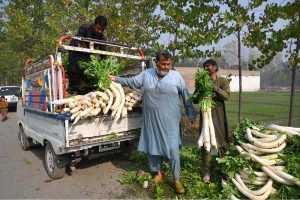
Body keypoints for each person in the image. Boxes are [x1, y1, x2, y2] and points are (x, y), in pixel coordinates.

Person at [109, 50, 196, 194]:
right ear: (156, 63)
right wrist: (115, 78)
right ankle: (159, 174)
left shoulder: (176, 77)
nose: (166, 67)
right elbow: (131, 82)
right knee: (153, 147)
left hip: (171, 122)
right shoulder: (147, 74)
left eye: (168, 64)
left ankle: (176, 179)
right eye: (163, 64)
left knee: (173, 149)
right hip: (152, 120)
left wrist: (191, 113)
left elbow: (186, 96)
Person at [193, 59, 231, 183]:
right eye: (204, 67)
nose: (206, 69)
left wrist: (214, 88)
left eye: (208, 66)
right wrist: (199, 92)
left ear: (215, 67)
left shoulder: (222, 81)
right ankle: (207, 172)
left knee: (222, 142)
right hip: (205, 115)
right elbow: (194, 100)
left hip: (219, 115)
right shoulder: (201, 81)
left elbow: (227, 96)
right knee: (206, 143)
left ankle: (223, 170)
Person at [68, 15, 108, 95]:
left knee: (89, 73)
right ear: (94, 25)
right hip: (75, 51)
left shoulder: (102, 38)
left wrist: (105, 68)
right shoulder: (85, 27)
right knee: (75, 69)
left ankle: (87, 93)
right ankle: (74, 91)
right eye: (98, 28)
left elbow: (103, 55)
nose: (100, 31)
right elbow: (77, 40)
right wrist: (80, 44)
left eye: (102, 30)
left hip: (87, 54)